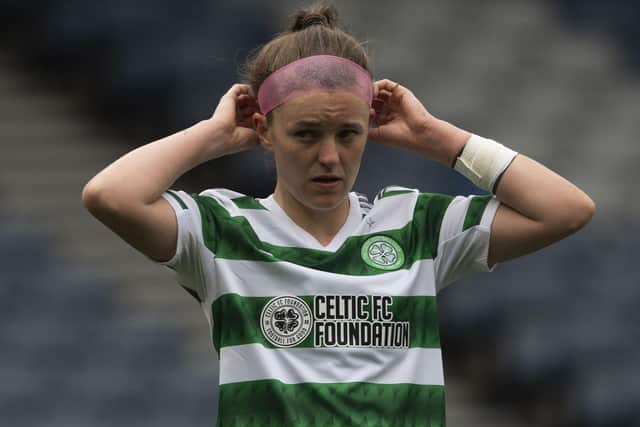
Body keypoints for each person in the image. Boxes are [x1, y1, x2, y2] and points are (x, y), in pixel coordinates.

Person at [82, 2, 595, 426]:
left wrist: (440, 139)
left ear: (368, 128)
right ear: (264, 130)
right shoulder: (220, 230)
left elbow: (566, 209)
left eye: (347, 134)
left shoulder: (416, 227)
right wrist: (212, 136)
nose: (329, 156)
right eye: (306, 134)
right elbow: (109, 195)